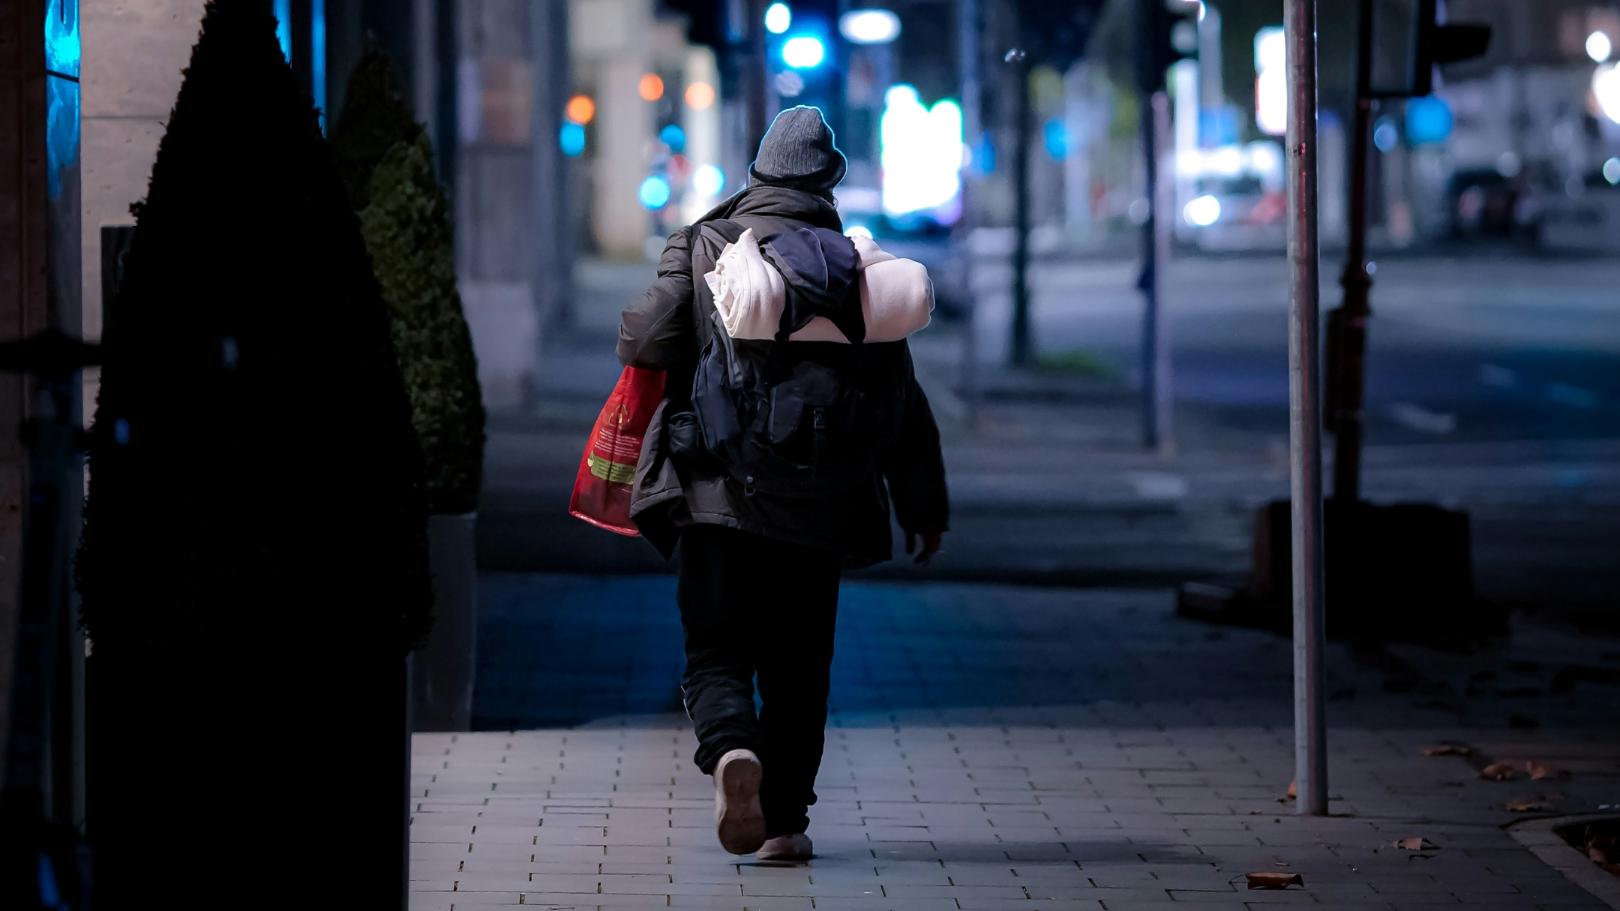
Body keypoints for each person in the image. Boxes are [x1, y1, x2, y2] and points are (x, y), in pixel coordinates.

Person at [616, 106, 949, 862]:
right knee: (802, 664)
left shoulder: (708, 245)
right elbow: (903, 399)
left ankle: (733, 747)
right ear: (829, 181)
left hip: (717, 491)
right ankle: (785, 822)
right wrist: (924, 505)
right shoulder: (858, 269)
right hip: (824, 502)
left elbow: (643, 336)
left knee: (717, 643)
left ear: (757, 174)